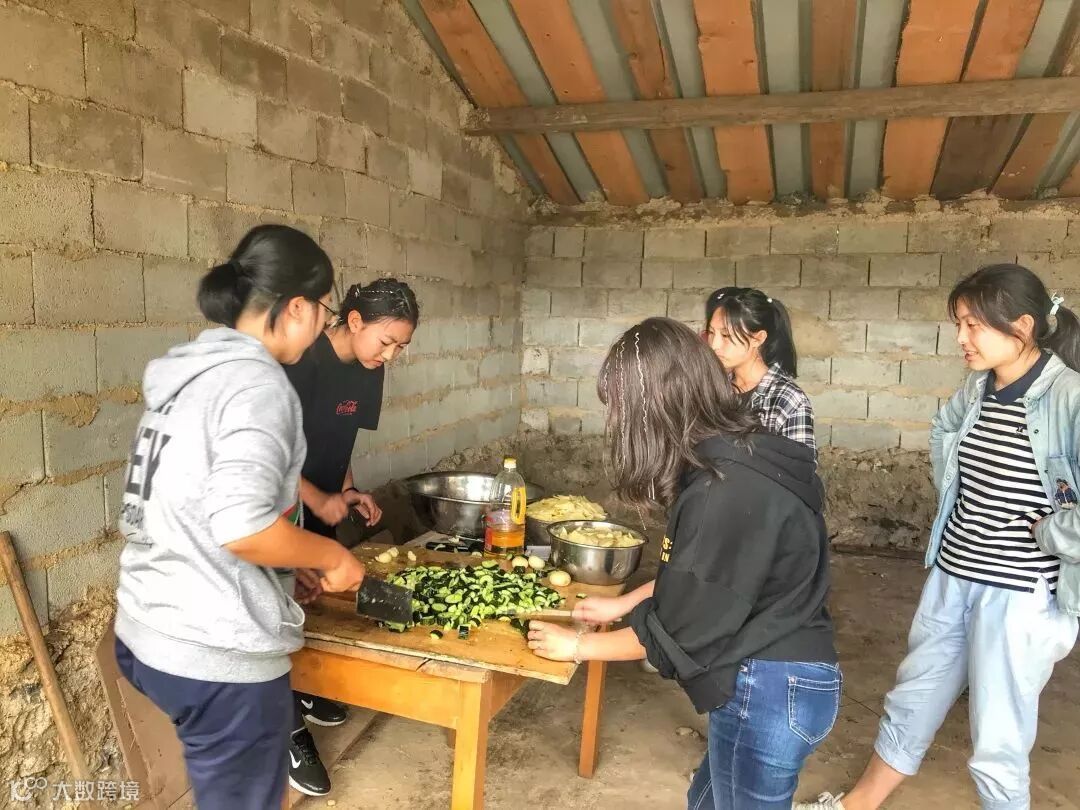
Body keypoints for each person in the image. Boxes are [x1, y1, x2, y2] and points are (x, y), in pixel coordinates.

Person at [528, 317, 840, 809]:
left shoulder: (720, 490)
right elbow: (710, 577)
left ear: (652, 411)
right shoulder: (744, 454)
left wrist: (579, 646)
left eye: (622, 411)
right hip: (786, 677)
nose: (618, 425)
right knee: (705, 800)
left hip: (767, 689)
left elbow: (682, 629)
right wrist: (622, 604)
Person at [798, 264, 1080, 810]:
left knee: (998, 736)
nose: (961, 338)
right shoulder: (977, 387)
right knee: (912, 698)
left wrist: (1051, 532)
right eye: (958, 324)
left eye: (974, 325)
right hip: (953, 574)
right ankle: (857, 805)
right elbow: (943, 428)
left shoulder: (1069, 398)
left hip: (1018, 596)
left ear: (1022, 326)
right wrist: (954, 488)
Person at [113, 225, 366, 810]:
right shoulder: (257, 383)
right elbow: (242, 528)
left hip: (146, 625)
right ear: (297, 307)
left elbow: (196, 504)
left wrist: (283, 568)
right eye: (325, 309)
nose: (322, 324)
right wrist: (331, 554)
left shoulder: (192, 374)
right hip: (214, 649)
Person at [282, 278, 419, 796]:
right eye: (387, 341)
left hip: (320, 501)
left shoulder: (369, 369)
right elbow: (272, 455)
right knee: (274, 608)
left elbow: (340, 442)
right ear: (354, 321)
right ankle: (288, 731)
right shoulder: (301, 362)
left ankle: (303, 687)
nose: (391, 355)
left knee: (308, 599)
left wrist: (346, 491)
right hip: (276, 505)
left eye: (401, 347)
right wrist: (314, 500)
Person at [705, 287, 816, 452]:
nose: (714, 345)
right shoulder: (710, 388)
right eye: (711, 333)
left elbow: (801, 465)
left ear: (758, 338)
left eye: (726, 335)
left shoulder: (787, 399)